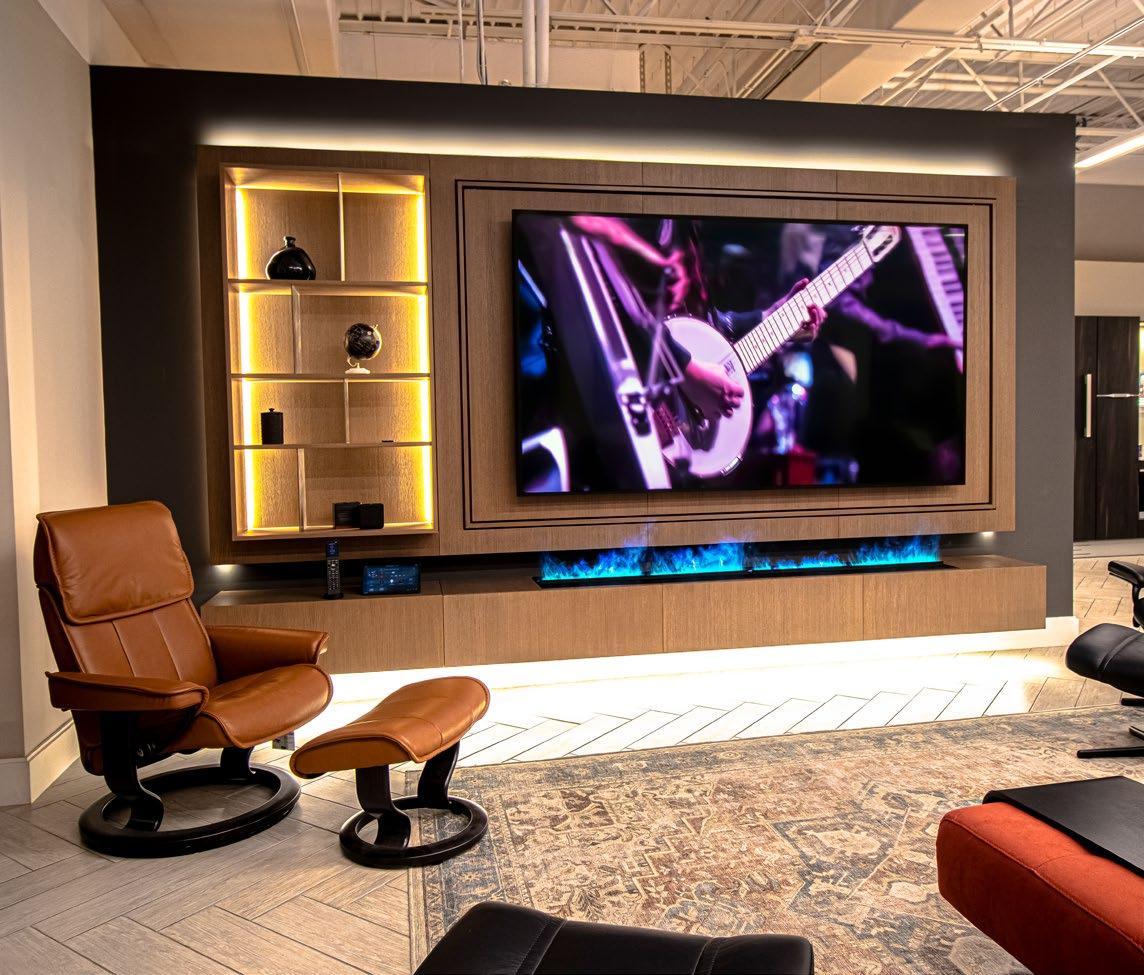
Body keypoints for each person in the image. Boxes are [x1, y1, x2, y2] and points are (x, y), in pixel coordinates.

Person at [568, 215, 825, 421]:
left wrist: (769, 318)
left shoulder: (681, 221)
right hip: (607, 408)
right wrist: (688, 372)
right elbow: (609, 294)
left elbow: (695, 318)